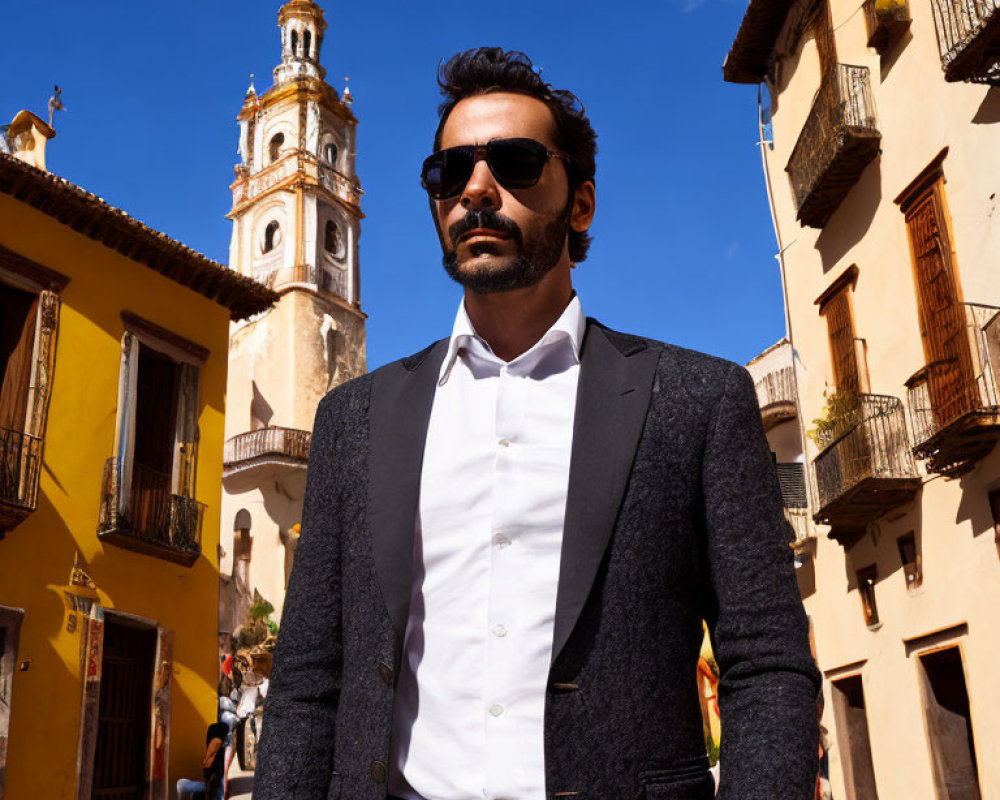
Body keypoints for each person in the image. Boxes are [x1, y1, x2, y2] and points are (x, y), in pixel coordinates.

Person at [255, 47, 821, 800]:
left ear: (580, 204)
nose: (476, 190)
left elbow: (768, 664)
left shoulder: (697, 401)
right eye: (449, 172)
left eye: (515, 163)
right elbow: (306, 683)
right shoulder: (355, 422)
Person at [176, 720, 229, 800]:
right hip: (214, 789)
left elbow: (212, 785)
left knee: (181, 784)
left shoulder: (216, 756)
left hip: (215, 792)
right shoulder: (223, 753)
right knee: (182, 784)